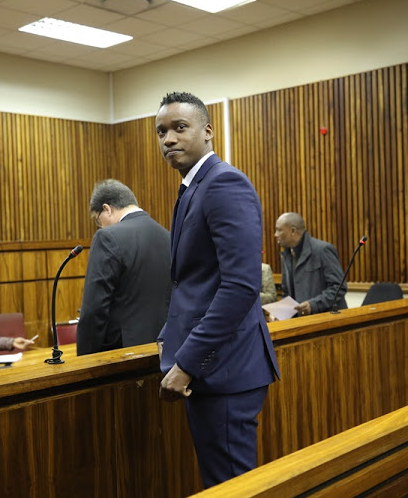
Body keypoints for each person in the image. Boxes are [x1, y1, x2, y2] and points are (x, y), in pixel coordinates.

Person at [155, 91, 280, 488]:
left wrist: (187, 362)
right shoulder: (192, 188)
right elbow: (193, 283)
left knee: (231, 486)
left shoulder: (224, 183)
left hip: (224, 369)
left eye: (179, 128)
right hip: (214, 366)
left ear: (208, 131)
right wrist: (166, 338)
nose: (168, 139)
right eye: (161, 132)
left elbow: (240, 288)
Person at [76, 179, 172, 355]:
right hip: (164, 350)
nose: (100, 226)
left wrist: (84, 360)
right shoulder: (168, 237)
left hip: (122, 355)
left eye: (98, 220)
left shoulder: (107, 237)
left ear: (107, 208)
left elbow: (94, 310)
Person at [274, 212, 346, 316]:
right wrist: (280, 311)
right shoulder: (286, 255)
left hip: (327, 320)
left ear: (293, 231)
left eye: (279, 230)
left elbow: (339, 287)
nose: (275, 234)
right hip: (302, 322)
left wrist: (313, 305)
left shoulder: (322, 250)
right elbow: (287, 294)